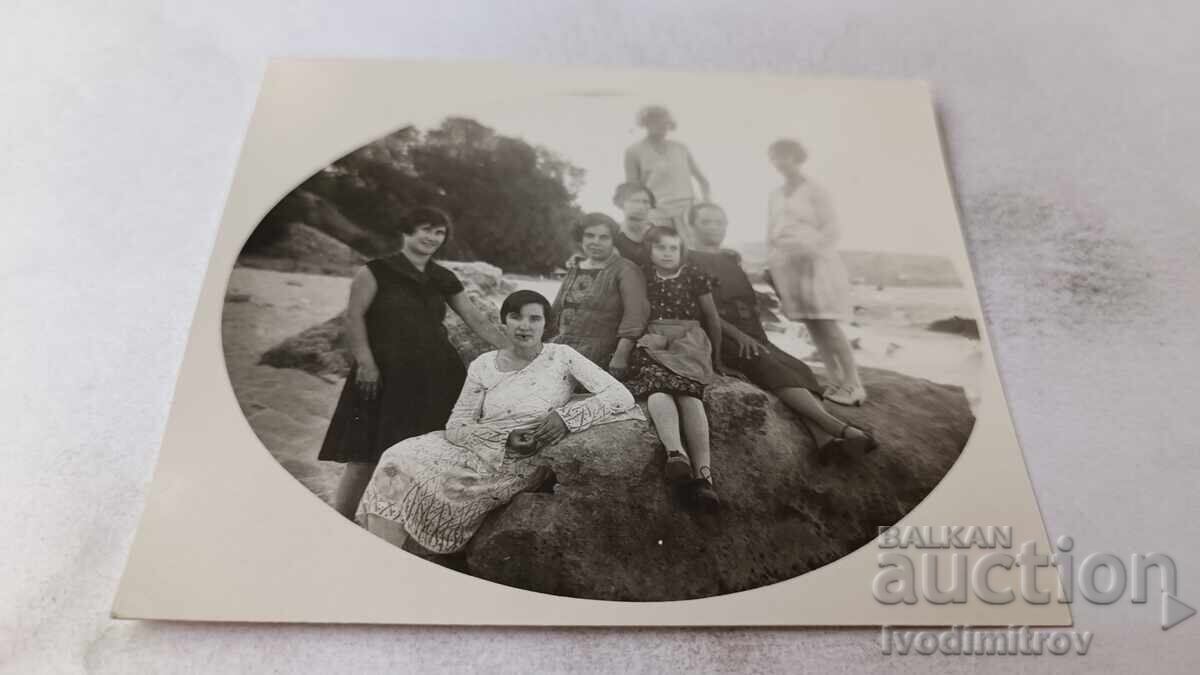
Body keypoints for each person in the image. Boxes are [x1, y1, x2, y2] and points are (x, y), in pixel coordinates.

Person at [357, 290, 641, 554]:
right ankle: (384, 559)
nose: (524, 326)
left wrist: (564, 419)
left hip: (518, 460)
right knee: (395, 459)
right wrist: (500, 438)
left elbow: (620, 394)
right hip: (476, 445)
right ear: (503, 321)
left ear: (547, 324)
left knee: (410, 476)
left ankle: (386, 560)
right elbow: (456, 425)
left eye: (534, 318)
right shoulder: (483, 364)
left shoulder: (562, 357)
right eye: (515, 317)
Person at [318, 206, 510, 519]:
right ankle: (341, 519)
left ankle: (405, 519)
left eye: (439, 232)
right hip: (383, 374)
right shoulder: (375, 271)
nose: (432, 237)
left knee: (426, 453)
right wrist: (366, 364)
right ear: (406, 231)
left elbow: (475, 318)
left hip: (436, 375)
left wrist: (516, 349)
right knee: (364, 456)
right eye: (426, 229)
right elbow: (354, 318)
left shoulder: (443, 277)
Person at [688, 202, 878, 460]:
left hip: (753, 333)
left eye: (719, 222)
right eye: (706, 222)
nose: (714, 228)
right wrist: (739, 336)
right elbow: (703, 311)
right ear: (692, 225)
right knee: (767, 364)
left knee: (798, 368)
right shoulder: (688, 260)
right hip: (722, 335)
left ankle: (823, 441)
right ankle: (839, 428)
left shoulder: (731, 259)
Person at [624, 226, 724, 511]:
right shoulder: (642, 274)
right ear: (650, 250)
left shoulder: (694, 276)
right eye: (661, 248)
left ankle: (705, 475)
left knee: (689, 393)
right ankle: (676, 453)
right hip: (654, 338)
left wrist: (717, 359)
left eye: (673, 248)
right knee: (656, 385)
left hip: (689, 340)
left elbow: (712, 318)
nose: (667, 254)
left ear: (682, 251)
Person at [766, 138, 866, 406]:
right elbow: (771, 232)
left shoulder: (815, 190)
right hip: (787, 263)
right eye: (775, 157)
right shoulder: (775, 195)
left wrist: (811, 250)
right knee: (811, 324)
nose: (779, 162)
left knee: (826, 322)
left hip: (815, 261)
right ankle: (834, 380)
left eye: (784, 156)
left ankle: (854, 384)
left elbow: (832, 228)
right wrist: (774, 261)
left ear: (797, 158)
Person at [548, 213, 649, 377]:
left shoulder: (626, 270)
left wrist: (620, 356)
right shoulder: (576, 266)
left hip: (599, 353)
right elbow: (557, 308)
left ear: (613, 241)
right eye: (590, 235)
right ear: (581, 238)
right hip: (561, 347)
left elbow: (635, 316)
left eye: (604, 237)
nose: (595, 242)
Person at [624, 106, 711, 247]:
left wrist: (706, 205)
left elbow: (703, 181)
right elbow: (632, 190)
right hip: (657, 212)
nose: (661, 126)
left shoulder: (680, 148)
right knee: (660, 252)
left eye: (665, 123)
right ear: (646, 123)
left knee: (693, 253)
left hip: (686, 210)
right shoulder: (634, 151)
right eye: (655, 121)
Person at [611, 182, 656, 266]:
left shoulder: (660, 234)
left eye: (645, 202)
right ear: (621, 203)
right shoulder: (613, 235)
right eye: (635, 201)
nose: (641, 206)